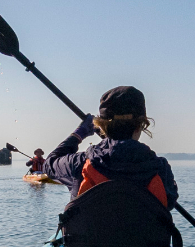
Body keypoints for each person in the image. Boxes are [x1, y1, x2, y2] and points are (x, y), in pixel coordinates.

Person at [41, 86, 178, 208]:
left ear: (101, 126)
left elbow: (49, 164)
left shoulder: (79, 164)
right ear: (140, 125)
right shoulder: (161, 169)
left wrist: (78, 134)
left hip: (89, 230)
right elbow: (169, 202)